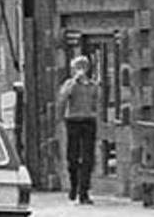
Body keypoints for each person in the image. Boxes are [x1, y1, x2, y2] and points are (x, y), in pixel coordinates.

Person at [58, 55, 99, 205]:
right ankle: (74, 185)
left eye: (82, 67)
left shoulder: (92, 85)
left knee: (88, 158)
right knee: (72, 157)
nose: (80, 70)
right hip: (73, 121)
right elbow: (63, 98)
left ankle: (84, 192)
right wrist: (74, 82)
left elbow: (96, 102)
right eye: (77, 67)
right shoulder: (69, 84)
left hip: (88, 121)